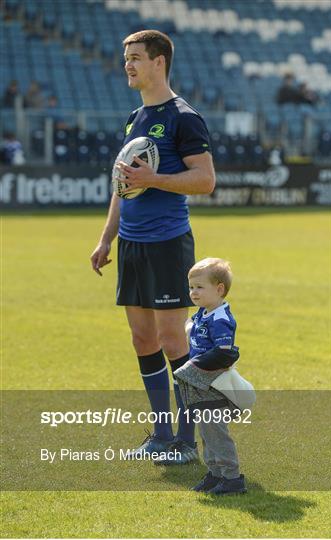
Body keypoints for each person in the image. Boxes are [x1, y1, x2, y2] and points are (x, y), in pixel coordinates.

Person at [90, 30, 215, 463]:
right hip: (132, 246)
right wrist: (107, 238)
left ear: (159, 62)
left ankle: (186, 440)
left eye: (137, 57)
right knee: (142, 339)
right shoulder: (134, 118)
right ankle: (161, 435)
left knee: (169, 338)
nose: (128, 64)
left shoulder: (184, 117)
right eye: (126, 57)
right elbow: (122, 187)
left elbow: (205, 180)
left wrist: (154, 179)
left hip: (167, 243)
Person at [172, 258, 247, 494]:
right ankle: (215, 474)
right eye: (191, 287)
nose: (193, 292)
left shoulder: (220, 318)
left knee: (216, 431)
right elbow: (194, 333)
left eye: (199, 287)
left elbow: (224, 353)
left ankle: (232, 478)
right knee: (205, 430)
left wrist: (193, 367)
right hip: (201, 383)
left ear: (219, 289)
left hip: (212, 383)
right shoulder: (204, 313)